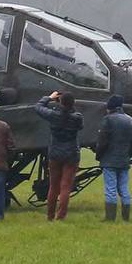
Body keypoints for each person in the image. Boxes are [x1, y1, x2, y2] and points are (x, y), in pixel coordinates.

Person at [34, 91, 84, 222]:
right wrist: (65, 106)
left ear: (61, 103)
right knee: (66, 186)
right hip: (71, 153)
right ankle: (61, 216)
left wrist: (49, 98)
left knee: (53, 186)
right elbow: (78, 123)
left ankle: (50, 216)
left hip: (55, 152)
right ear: (73, 103)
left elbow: (38, 107)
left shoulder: (53, 116)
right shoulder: (77, 117)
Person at [95, 94, 132, 222]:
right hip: (124, 160)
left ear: (110, 107)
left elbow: (102, 142)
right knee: (124, 189)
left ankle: (110, 218)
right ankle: (126, 217)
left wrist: (99, 155)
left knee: (110, 189)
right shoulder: (130, 120)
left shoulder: (107, 120)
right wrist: (128, 154)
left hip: (109, 160)